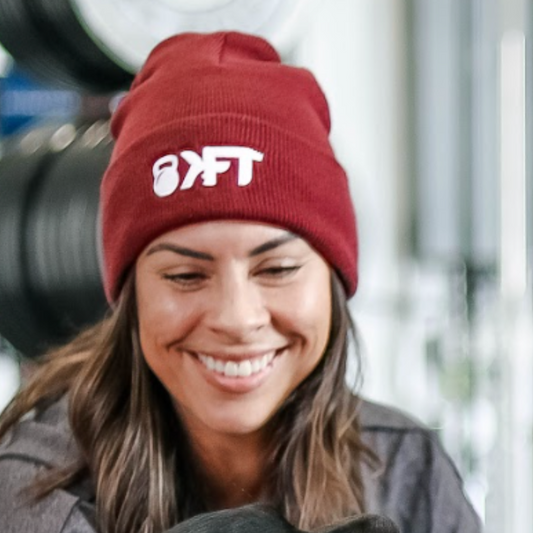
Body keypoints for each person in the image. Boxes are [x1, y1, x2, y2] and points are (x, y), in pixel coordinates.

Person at [0, 32, 481, 533]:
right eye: (185, 275)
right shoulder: (36, 496)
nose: (236, 318)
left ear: (332, 279)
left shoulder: (408, 472)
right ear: (131, 296)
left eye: (277, 269)